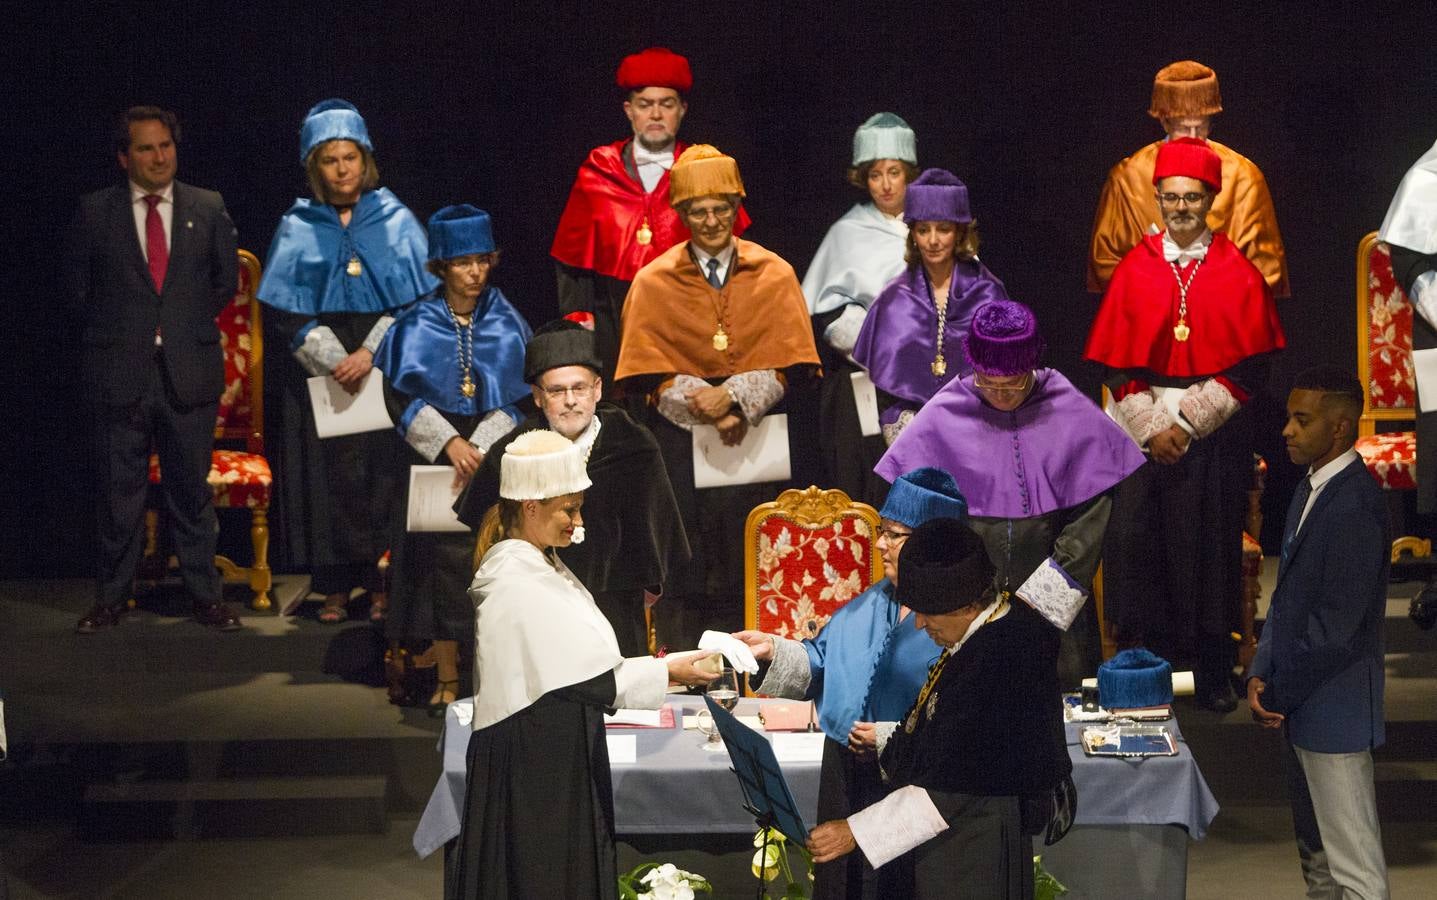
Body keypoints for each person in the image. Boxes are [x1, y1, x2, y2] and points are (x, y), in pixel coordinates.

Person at [453, 430, 717, 899]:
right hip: (535, 766)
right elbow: (589, 680)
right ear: (531, 507)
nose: (578, 523)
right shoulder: (516, 580)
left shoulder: (539, 561)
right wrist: (671, 671)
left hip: (555, 745)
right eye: (568, 510)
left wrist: (667, 667)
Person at [1085, 136, 1286, 711]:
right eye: (1170, 198)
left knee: (1210, 550)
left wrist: (1190, 422)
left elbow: (1251, 366)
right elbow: (1115, 362)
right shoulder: (1134, 268)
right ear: (1157, 199)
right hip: (1143, 435)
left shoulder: (1235, 269)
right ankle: (1138, 672)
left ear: (1210, 200)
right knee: (1134, 543)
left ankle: (1212, 672)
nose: (1181, 209)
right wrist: (1152, 427)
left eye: (1192, 198)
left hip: (1211, 439)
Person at [878, 300, 1147, 686]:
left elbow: (1088, 523)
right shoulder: (947, 411)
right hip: (965, 601)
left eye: (1013, 383)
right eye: (988, 382)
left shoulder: (1066, 408)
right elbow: (918, 515)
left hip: (1052, 608)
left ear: (1032, 367)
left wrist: (1035, 605)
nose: (1001, 395)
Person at [614, 144, 820, 646]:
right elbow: (641, 377)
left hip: (759, 449)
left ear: (736, 207)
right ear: (682, 215)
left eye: (721, 209)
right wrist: (699, 405)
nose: (711, 221)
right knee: (689, 567)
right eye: (699, 211)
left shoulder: (773, 272)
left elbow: (798, 366)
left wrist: (736, 398)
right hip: (683, 453)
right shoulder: (653, 281)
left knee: (756, 561)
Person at [731, 467, 967, 900]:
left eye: (895, 535)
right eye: (882, 530)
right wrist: (773, 650)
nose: (879, 544)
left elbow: (965, 730)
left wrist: (888, 737)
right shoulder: (872, 600)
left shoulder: (960, 620)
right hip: (845, 778)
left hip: (916, 788)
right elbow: (822, 660)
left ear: (932, 546)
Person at [806, 518, 1072, 898]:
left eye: (927, 611)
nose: (918, 625)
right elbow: (945, 732)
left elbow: (953, 786)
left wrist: (855, 832)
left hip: (974, 849)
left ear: (965, 604)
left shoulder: (1000, 659)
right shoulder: (985, 630)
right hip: (958, 835)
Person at [257, 99, 436, 623]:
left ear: (366, 161)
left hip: (382, 364)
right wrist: (336, 359)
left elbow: (417, 300)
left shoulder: (394, 217)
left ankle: (382, 583)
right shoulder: (299, 223)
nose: (341, 170)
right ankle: (333, 585)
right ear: (316, 165)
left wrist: (368, 353)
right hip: (320, 370)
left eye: (350, 158)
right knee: (325, 477)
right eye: (330, 160)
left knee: (380, 474)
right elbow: (285, 310)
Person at [68, 105, 243, 634]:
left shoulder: (207, 207)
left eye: (165, 146)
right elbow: (78, 292)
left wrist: (178, 325)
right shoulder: (95, 212)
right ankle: (111, 599)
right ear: (125, 157)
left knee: (190, 492)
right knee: (119, 494)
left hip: (187, 372)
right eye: (145, 148)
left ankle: (205, 598)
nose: (158, 156)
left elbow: (223, 282)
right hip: (119, 372)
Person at [371, 205, 531, 710]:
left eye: (482, 261)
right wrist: (448, 443)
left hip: (490, 460)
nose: (475, 273)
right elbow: (398, 394)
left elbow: (523, 393)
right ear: (442, 266)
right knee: (435, 574)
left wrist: (482, 443)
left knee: (488, 565)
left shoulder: (506, 318)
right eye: (462, 263)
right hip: (433, 464)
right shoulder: (416, 322)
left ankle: (490, 675)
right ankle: (445, 674)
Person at [454, 316, 689, 657]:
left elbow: (660, 528)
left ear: (597, 389)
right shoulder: (515, 452)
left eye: (579, 388)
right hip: (536, 607)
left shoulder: (633, 443)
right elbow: (485, 533)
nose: (570, 400)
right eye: (556, 390)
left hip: (616, 604)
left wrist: (649, 582)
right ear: (537, 396)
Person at [1248, 366, 1390, 899]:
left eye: (1301, 419)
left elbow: (1335, 626)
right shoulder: (1310, 488)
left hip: (1336, 712)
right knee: (1318, 861)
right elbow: (1287, 600)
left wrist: (1278, 688)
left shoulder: (1356, 504)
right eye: (1288, 417)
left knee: (1354, 869)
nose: (1286, 430)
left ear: (1340, 427)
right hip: (1302, 703)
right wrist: (1261, 670)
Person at [550, 47, 750, 380]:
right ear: (629, 111)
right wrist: (580, 333)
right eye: (645, 105)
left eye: (666, 104)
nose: (656, 114)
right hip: (614, 321)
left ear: (682, 110)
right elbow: (573, 264)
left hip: (689, 317)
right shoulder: (598, 170)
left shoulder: (705, 168)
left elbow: (733, 253)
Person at [1087, 59, 1288, 297]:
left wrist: (1209, 284)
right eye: (1183, 127)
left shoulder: (1243, 176)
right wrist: (1158, 283)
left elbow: (1267, 270)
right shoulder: (1127, 176)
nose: (1192, 138)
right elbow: (1105, 263)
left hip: (1220, 314)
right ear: (1163, 121)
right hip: (1150, 313)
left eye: (1201, 127)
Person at [802, 113, 918, 504]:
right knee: (866, 491)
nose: (885, 185)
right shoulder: (847, 232)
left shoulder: (934, 227)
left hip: (928, 381)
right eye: (874, 174)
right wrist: (886, 352)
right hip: (863, 382)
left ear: (909, 174)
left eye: (894, 172)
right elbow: (828, 312)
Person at [851, 168, 1009, 445]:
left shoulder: (988, 293)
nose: (933, 240)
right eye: (923, 230)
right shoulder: (893, 300)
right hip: (912, 439)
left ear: (960, 233)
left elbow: (1005, 377)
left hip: (977, 432)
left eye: (944, 229)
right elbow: (887, 395)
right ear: (912, 234)